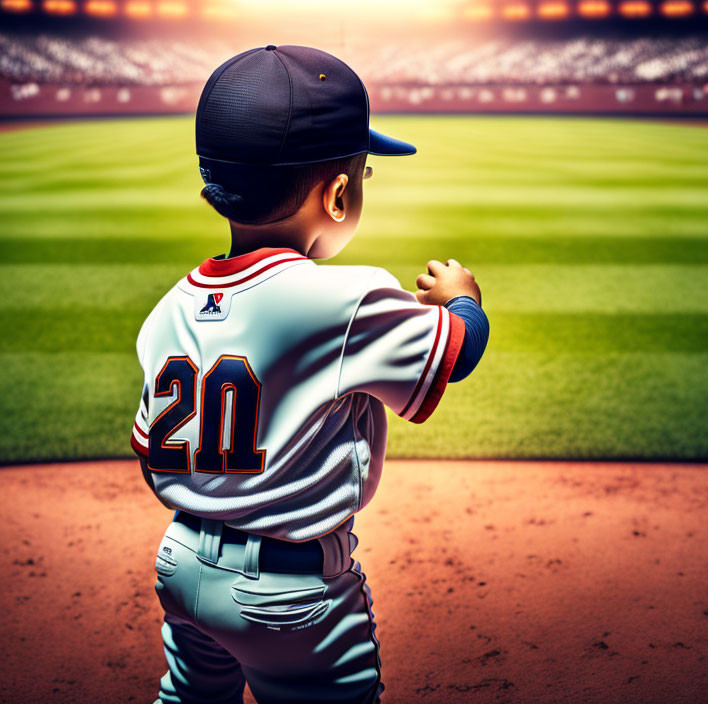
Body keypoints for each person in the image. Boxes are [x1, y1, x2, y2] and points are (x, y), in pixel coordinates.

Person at [129, 45, 489, 704]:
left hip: (180, 565)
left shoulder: (166, 310)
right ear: (340, 192)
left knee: (189, 698)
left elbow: (150, 452)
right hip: (289, 593)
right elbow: (457, 353)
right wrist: (463, 298)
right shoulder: (343, 300)